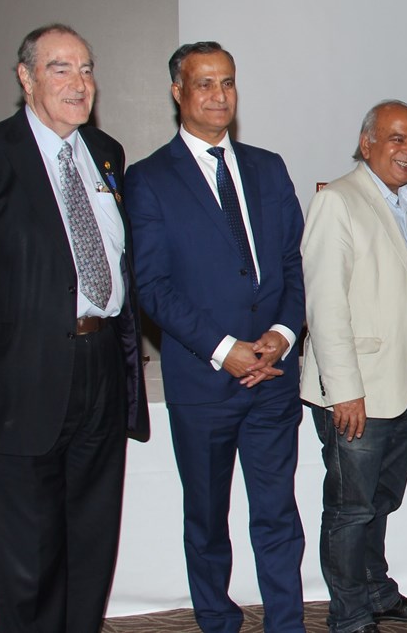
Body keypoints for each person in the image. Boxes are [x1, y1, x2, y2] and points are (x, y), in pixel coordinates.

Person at [0, 24, 149, 632]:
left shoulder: (107, 152)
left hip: (99, 373)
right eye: (60, 69)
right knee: (26, 559)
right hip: (13, 385)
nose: (78, 83)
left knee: (89, 545)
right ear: (25, 77)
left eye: (85, 69)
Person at [124, 41, 306, 633]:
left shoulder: (269, 166)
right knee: (206, 520)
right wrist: (226, 351)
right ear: (178, 92)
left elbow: (292, 265)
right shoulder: (149, 179)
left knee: (279, 514)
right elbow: (152, 287)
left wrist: (280, 335)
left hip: (274, 377)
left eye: (226, 82)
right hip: (204, 382)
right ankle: (217, 622)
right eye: (203, 84)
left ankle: (285, 623)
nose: (218, 95)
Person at [299, 100, 407, 633]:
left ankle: (376, 591)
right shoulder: (338, 201)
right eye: (397, 139)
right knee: (349, 511)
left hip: (402, 386)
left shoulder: (406, 205)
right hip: (357, 394)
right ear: (367, 144)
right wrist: (345, 391)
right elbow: (326, 305)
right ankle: (350, 616)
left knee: (380, 503)